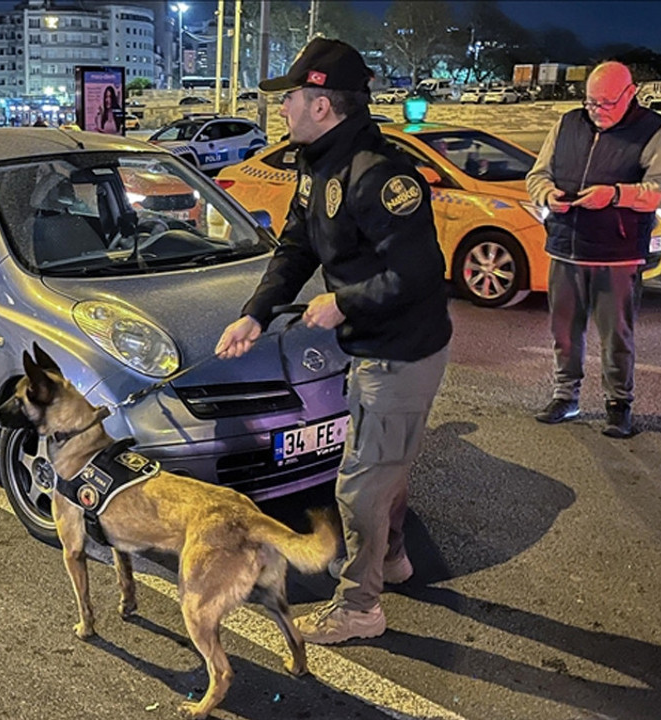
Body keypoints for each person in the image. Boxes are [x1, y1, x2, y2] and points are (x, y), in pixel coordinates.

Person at [215, 38, 452, 645]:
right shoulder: (317, 162)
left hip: (402, 351)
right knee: (383, 469)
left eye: (290, 96)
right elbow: (295, 247)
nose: (283, 106)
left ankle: (359, 607)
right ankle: (393, 557)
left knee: (359, 482)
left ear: (321, 104)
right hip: (371, 346)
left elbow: (420, 272)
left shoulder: (380, 174)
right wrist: (255, 315)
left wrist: (342, 301)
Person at [526, 61, 661, 438]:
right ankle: (566, 396)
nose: (597, 112)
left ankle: (618, 404)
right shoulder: (567, 123)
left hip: (618, 252)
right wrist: (547, 194)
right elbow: (537, 174)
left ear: (630, 95)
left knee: (617, 335)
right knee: (563, 330)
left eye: (607, 104)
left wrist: (614, 195)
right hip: (565, 247)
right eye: (591, 103)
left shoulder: (654, 130)